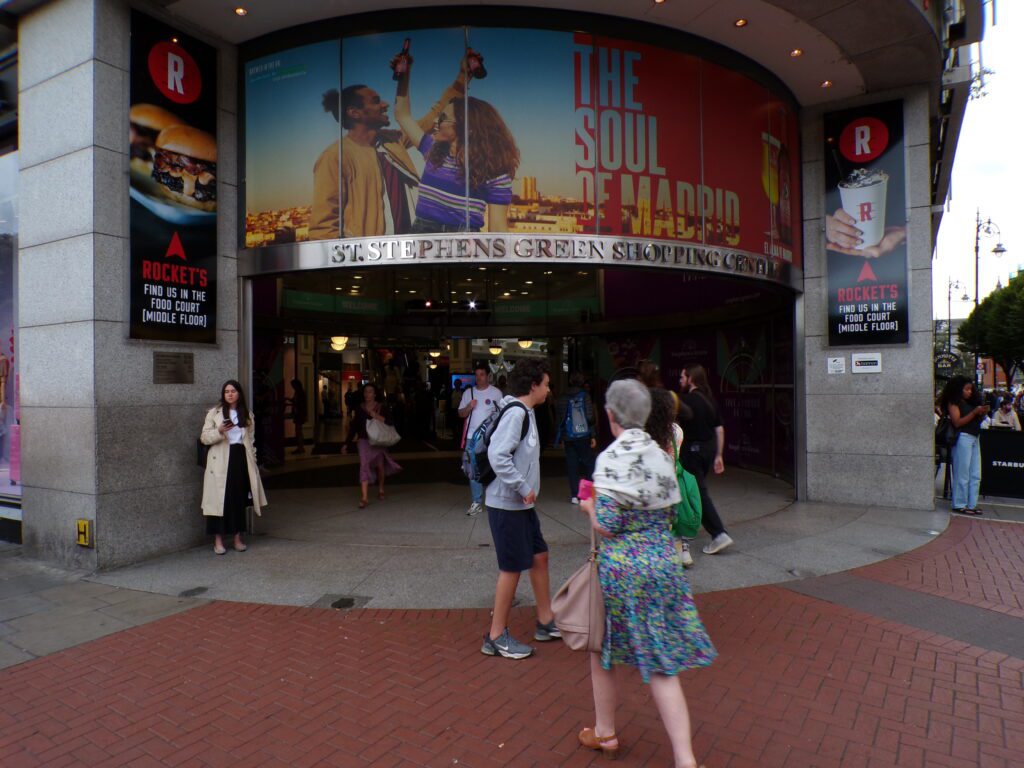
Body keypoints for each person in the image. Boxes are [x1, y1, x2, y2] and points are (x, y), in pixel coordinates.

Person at [578, 378, 715, 765]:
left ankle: (605, 731)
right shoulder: (662, 454)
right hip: (664, 566)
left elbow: (607, 524)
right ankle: (685, 758)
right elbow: (671, 513)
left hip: (622, 571)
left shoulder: (610, 457)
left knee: (603, 652)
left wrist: (588, 505)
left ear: (610, 415)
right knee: (662, 665)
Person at [310, 62, 467, 239]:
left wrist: (463, 75)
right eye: (376, 101)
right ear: (355, 113)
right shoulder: (335, 157)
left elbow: (433, 117)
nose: (385, 104)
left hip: (414, 248)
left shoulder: (393, 140)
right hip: (375, 260)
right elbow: (323, 229)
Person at [481, 359, 558, 659]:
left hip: (517, 504)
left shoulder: (522, 411)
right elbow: (498, 456)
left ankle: (546, 620)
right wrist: (524, 488)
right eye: (547, 384)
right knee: (511, 567)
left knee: (539, 555)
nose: (549, 390)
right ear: (533, 385)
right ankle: (495, 636)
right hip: (508, 503)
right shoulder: (516, 413)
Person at [394, 54, 518, 233]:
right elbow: (402, 114)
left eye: (443, 117)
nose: (436, 121)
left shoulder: (496, 172)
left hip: (465, 241)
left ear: (466, 128)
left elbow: (498, 228)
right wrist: (404, 74)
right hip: (423, 236)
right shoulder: (432, 149)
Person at [200, 380, 268, 555]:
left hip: (240, 458)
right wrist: (220, 430)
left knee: (238, 499)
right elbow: (204, 437)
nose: (229, 394)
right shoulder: (214, 413)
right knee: (219, 501)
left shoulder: (247, 415)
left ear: (239, 393)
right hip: (220, 459)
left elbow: (251, 441)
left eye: (233, 391)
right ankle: (218, 541)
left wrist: (253, 462)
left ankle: (237, 538)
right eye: (226, 391)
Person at [678, 365, 733, 555]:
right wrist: (718, 455)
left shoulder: (686, 401)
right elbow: (719, 429)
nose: (680, 380)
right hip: (708, 450)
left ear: (690, 378)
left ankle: (718, 534)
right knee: (695, 491)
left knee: (697, 494)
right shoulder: (710, 400)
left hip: (692, 451)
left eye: (682, 376)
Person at [646, 388, 694, 568]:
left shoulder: (645, 433)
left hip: (650, 487)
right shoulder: (677, 431)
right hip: (670, 483)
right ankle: (680, 552)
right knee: (672, 523)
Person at [342, 383, 402, 508]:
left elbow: (391, 422)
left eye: (370, 391)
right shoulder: (359, 408)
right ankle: (364, 497)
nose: (367, 394)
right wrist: (346, 444)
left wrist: (376, 416)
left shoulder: (382, 407)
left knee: (380, 466)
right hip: (364, 440)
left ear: (375, 394)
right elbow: (354, 427)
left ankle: (380, 488)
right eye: (365, 392)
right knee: (364, 465)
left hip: (378, 441)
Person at [939, 376, 989, 515]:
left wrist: (981, 414)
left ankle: (971, 504)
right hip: (963, 437)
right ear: (958, 389)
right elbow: (957, 422)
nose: (969, 392)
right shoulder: (953, 402)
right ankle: (960, 503)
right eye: (966, 389)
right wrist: (974, 412)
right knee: (963, 472)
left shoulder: (971, 402)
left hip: (974, 436)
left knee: (975, 473)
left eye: (970, 389)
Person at [459, 363, 502, 516]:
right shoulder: (468, 393)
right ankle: (477, 501)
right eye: (476, 375)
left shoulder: (496, 393)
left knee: (493, 467)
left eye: (482, 375)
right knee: (473, 470)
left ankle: (494, 499)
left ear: (488, 376)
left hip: (490, 438)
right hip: (472, 437)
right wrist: (469, 407)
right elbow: (461, 414)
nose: (479, 378)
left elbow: (501, 415)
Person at [555, 372, 596, 504]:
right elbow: (589, 417)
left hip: (568, 436)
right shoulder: (585, 396)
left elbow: (559, 418)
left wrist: (561, 436)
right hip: (583, 435)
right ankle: (586, 494)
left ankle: (574, 495)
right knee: (589, 464)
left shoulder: (562, 397)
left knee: (572, 465)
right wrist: (593, 435)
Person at [286, 378, 308, 455]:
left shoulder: (300, 393)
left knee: (298, 431)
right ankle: (300, 447)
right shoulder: (299, 392)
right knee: (299, 431)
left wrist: (291, 401)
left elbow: (300, 404)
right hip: (299, 414)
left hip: (299, 414)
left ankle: (300, 447)